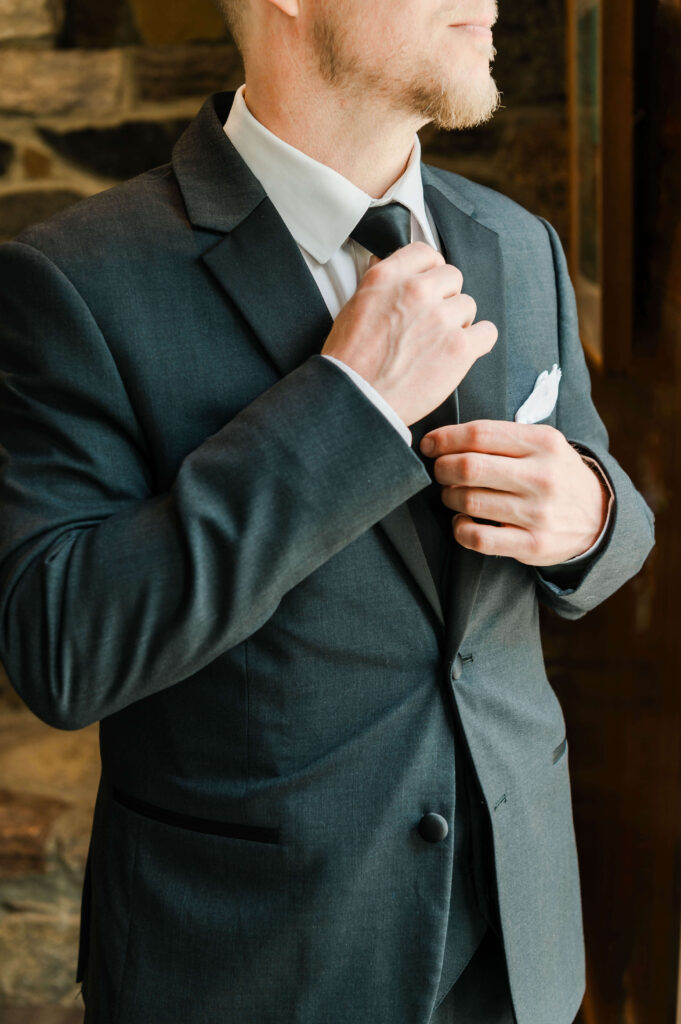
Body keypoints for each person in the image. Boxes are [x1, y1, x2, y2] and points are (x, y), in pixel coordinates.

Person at [0, 0, 654, 1021]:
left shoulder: (520, 245)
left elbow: (615, 511)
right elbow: (62, 648)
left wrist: (593, 514)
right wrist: (347, 409)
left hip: (520, 960)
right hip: (254, 973)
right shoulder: (74, 282)